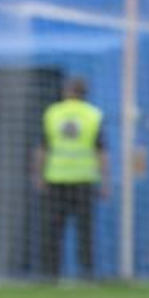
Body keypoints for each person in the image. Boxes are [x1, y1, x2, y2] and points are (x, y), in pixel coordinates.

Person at [34, 76, 106, 280]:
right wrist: (104, 180)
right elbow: (102, 152)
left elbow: (42, 148)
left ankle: (49, 274)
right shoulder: (93, 115)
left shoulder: (53, 113)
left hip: (56, 178)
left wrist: (38, 174)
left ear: (66, 91)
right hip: (84, 179)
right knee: (85, 231)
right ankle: (87, 274)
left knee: (52, 230)